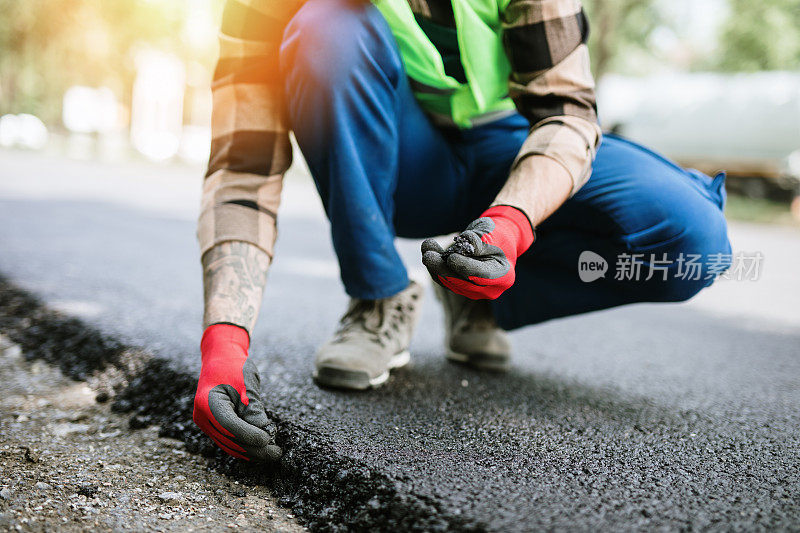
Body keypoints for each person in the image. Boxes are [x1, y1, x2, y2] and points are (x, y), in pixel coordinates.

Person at [192, 0, 731, 461]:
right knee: (324, 29)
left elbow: (566, 114)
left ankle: (475, 289)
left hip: (514, 150)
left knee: (693, 244)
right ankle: (377, 298)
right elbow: (244, 168)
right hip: (404, 162)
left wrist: (510, 224)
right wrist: (224, 344)